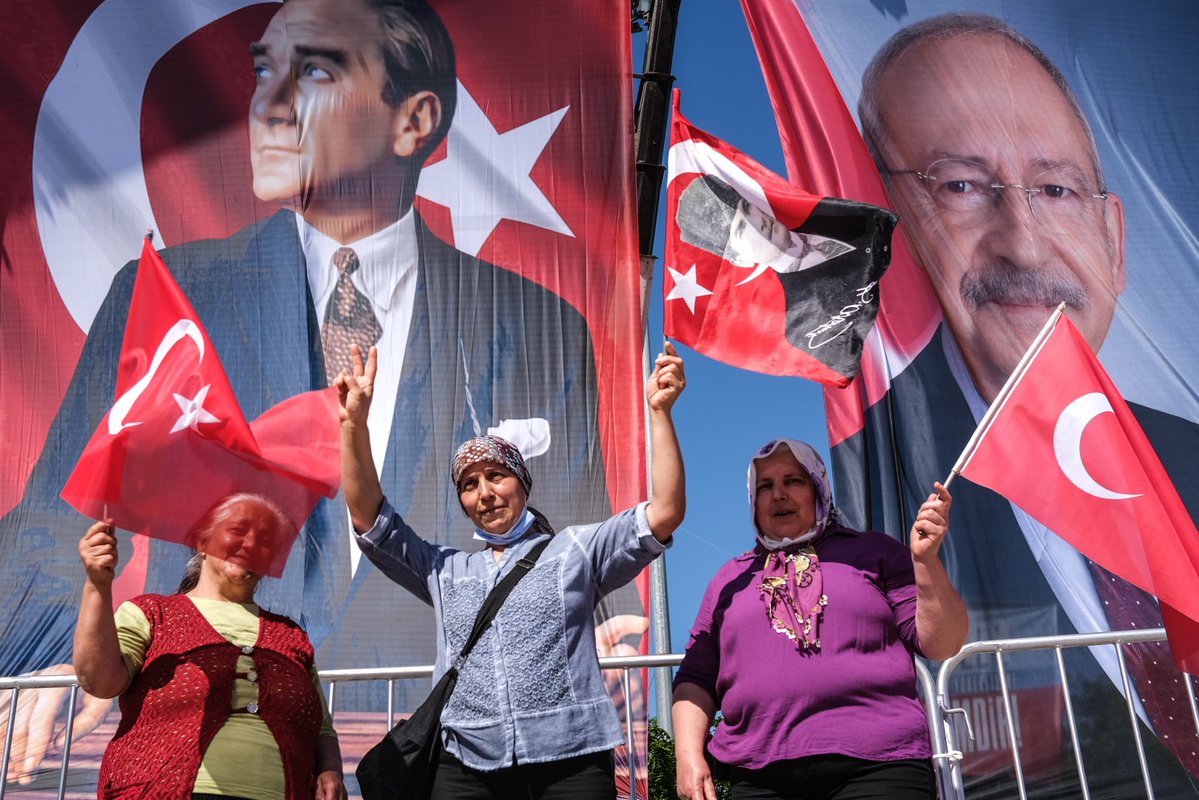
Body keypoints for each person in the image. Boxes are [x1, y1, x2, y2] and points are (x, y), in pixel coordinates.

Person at [0, 0, 615, 780]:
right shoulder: (167, 294)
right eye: (264, 70)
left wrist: (607, 631)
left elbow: (567, 545)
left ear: (414, 119)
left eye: (315, 70)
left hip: (448, 742)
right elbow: (54, 519)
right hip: (211, 728)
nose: (268, 103)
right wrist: (48, 656)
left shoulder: (536, 325)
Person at [838, 11, 1199, 783]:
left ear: (1114, 236)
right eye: (961, 185)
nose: (1024, 241)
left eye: (1056, 189)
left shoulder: (1191, 452)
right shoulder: (877, 477)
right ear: (890, 221)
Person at [335, 343, 686, 799]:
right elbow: (370, 521)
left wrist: (659, 412)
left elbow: (664, 513)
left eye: (496, 476)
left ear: (523, 482)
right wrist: (353, 426)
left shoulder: (574, 550)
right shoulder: (445, 570)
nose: (483, 493)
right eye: (468, 484)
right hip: (464, 764)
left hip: (572, 761)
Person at [673, 439, 966, 800]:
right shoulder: (728, 579)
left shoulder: (875, 552)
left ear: (818, 489)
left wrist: (926, 562)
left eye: (793, 481)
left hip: (879, 766)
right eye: (765, 486)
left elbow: (942, 644)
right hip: (760, 774)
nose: (778, 495)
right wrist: (686, 755)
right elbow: (695, 679)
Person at [73, 493, 345, 800]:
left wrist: (331, 769)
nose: (252, 545)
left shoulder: (291, 637)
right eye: (238, 531)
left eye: (265, 540)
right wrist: (97, 585)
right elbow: (99, 681)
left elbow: (321, 728)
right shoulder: (153, 614)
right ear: (202, 540)